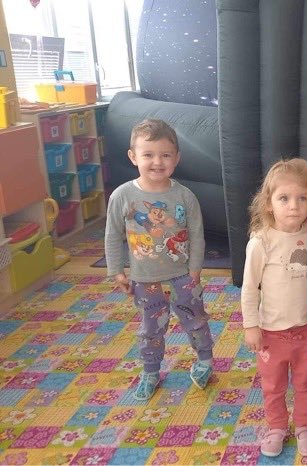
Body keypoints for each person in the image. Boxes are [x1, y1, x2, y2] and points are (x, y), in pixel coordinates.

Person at [104, 119, 213, 401]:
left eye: (165, 155)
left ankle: (205, 361)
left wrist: (195, 270)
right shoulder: (122, 196)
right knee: (151, 329)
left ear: (176, 158)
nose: (157, 162)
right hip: (144, 278)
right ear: (133, 156)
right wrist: (116, 271)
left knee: (195, 320)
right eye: (148, 154)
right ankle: (151, 371)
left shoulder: (185, 196)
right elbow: (112, 235)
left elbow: (197, 234)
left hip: (183, 275)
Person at [241, 158, 307, 458]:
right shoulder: (261, 242)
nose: (294, 206)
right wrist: (251, 325)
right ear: (269, 204)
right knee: (273, 385)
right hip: (271, 333)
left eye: (302, 198)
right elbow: (249, 288)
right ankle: (276, 427)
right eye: (284, 198)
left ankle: (304, 426)